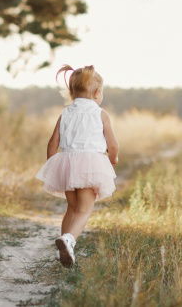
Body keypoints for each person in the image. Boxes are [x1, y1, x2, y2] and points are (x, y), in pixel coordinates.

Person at [35, 64, 119, 267]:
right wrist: (112, 160)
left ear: (71, 92)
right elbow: (113, 144)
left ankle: (64, 247)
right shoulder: (100, 114)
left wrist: (54, 166)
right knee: (84, 210)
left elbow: (52, 144)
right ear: (98, 93)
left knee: (71, 208)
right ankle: (69, 240)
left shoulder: (65, 113)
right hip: (91, 165)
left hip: (67, 164)